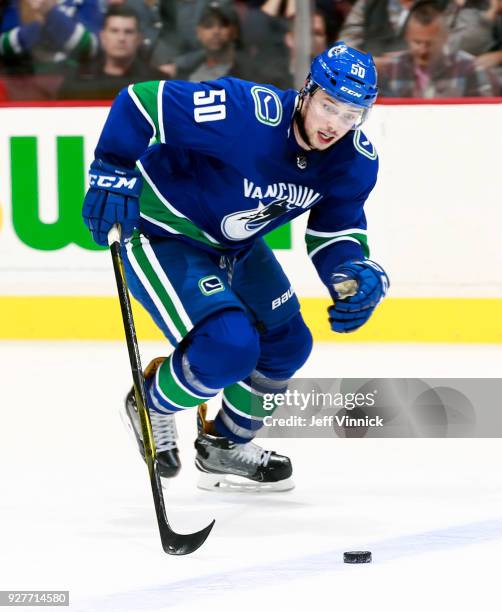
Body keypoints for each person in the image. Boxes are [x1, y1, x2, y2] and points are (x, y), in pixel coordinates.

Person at [82, 42, 390, 492]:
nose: (335, 125)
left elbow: (334, 233)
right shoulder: (244, 112)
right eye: (329, 106)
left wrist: (354, 273)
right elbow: (140, 102)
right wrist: (111, 167)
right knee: (228, 349)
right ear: (307, 91)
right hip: (164, 230)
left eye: (351, 115)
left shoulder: (355, 161)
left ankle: (223, 446)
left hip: (236, 246)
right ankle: (152, 402)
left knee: (287, 346)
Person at [378, 0, 498, 96]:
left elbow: (485, 116)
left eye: (430, 43)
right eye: (417, 42)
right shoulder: (391, 70)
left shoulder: (470, 69)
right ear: (407, 37)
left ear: (445, 38)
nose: (423, 50)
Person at [58, 6, 162, 100]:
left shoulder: (156, 83)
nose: (121, 38)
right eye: (114, 31)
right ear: (103, 37)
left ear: (139, 39)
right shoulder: (77, 80)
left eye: (128, 32)